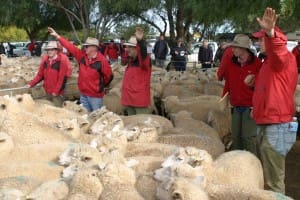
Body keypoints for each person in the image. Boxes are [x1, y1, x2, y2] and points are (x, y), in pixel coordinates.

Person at [252, 7, 298, 194]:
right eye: (260, 38)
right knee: (268, 176)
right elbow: (272, 89)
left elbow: (278, 49)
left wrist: (271, 33)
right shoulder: (268, 63)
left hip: (276, 123)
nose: (259, 42)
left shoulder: (283, 58)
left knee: (274, 180)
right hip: (268, 121)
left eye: (262, 38)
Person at [48, 27, 113, 112]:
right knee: (85, 116)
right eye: (85, 46)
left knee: (96, 117)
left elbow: (109, 76)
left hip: (95, 97)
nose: (84, 48)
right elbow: (70, 47)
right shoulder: (82, 57)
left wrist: (99, 87)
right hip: (83, 95)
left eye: (87, 46)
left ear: (94, 48)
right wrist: (58, 36)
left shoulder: (102, 61)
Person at [217, 34, 262, 156]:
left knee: (248, 138)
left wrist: (257, 105)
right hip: (236, 105)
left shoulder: (257, 64)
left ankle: (253, 164)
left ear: (243, 49)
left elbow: (262, 85)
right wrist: (224, 98)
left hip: (250, 106)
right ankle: (238, 163)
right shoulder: (231, 63)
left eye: (236, 47)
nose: (233, 49)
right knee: (236, 137)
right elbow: (226, 81)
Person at [27, 41, 70, 107]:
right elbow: (40, 75)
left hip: (57, 93)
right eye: (48, 50)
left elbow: (62, 78)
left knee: (57, 110)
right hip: (47, 91)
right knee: (49, 109)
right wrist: (31, 84)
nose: (50, 51)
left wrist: (56, 91)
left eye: (52, 50)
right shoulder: (45, 61)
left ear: (56, 50)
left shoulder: (62, 61)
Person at [121, 27, 152, 115]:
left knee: (141, 125)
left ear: (136, 49)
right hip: (129, 100)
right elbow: (123, 61)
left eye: (130, 47)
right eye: (127, 47)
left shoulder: (144, 62)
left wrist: (141, 41)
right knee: (131, 125)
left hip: (139, 102)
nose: (127, 49)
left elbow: (143, 55)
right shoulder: (131, 61)